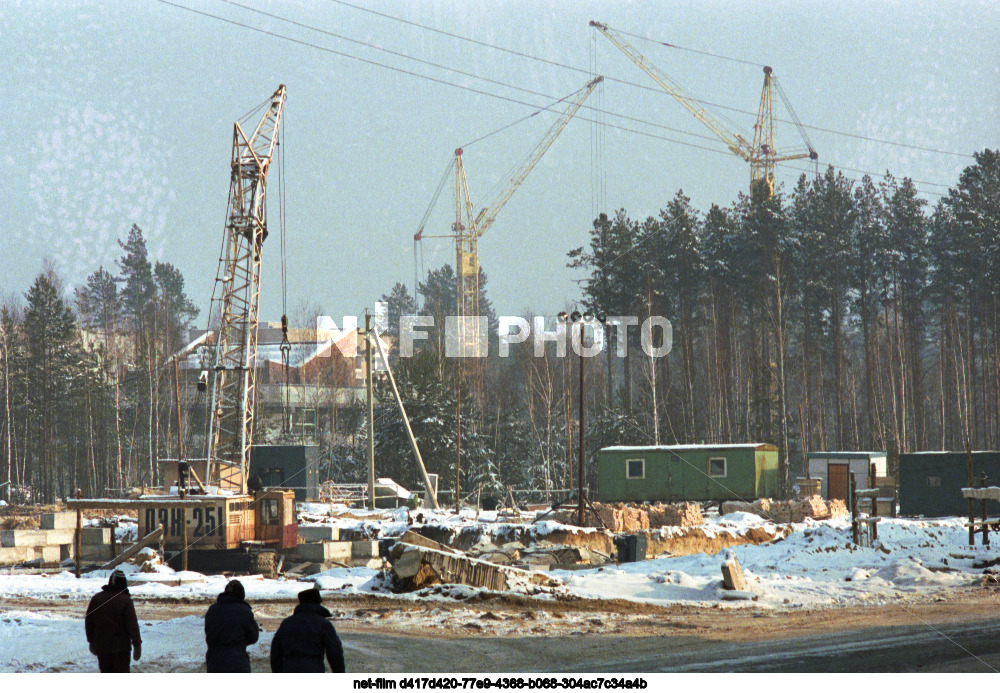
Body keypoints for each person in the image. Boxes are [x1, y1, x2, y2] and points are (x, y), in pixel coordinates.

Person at [270, 587, 345, 672]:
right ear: (318, 603)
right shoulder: (323, 624)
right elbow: (335, 652)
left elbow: (275, 651)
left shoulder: (287, 623)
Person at [85, 569, 142, 673]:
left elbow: (89, 622)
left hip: (102, 648)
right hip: (121, 649)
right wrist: (137, 645)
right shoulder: (125, 600)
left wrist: (91, 641)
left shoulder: (96, 599)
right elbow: (132, 626)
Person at [204, 579, 260, 672]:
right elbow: (253, 636)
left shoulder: (212, 610)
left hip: (214, 661)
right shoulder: (244, 611)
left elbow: (209, 632)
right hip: (237, 661)